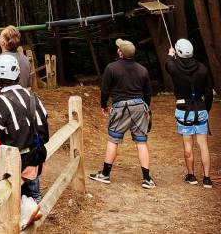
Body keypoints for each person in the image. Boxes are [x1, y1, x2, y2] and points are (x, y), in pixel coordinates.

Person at [0, 54, 49, 229]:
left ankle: (25, 205)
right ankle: (31, 203)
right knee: (34, 202)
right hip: (36, 161)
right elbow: (45, 134)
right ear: (18, 74)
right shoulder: (34, 98)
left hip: (14, 167)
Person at [90, 38, 156, 188]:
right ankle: (147, 179)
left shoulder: (111, 68)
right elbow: (148, 93)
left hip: (121, 107)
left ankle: (105, 174)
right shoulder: (142, 69)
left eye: (118, 48)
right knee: (141, 142)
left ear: (121, 52)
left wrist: (103, 105)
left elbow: (105, 90)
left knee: (113, 140)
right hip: (139, 106)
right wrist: (147, 108)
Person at [165, 39, 213, 188]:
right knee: (203, 145)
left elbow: (169, 63)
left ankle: (191, 176)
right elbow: (209, 93)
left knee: (188, 145)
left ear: (178, 52)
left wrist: (170, 54)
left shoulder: (173, 67)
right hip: (200, 109)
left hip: (183, 110)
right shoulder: (203, 69)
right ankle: (206, 179)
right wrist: (206, 109)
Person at [0, 25, 32, 91]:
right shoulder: (25, 59)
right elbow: (29, 87)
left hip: (5, 100)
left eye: (0, 35)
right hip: (23, 99)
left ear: (3, 43)